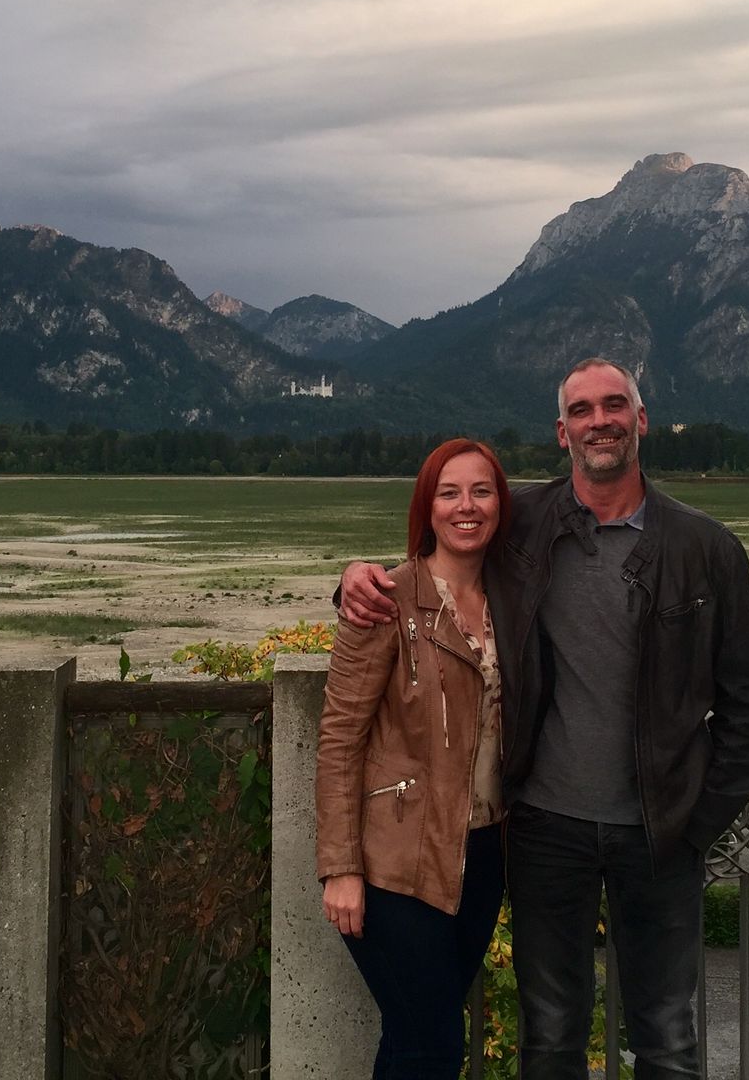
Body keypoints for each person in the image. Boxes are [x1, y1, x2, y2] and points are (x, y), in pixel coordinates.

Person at [338, 358, 749, 1080]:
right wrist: (359, 578)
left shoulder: (707, 549)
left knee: (666, 1036)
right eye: (582, 410)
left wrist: (696, 823)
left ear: (641, 421)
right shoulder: (526, 524)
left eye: (614, 406)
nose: (598, 420)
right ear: (562, 431)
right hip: (544, 829)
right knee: (551, 1033)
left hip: (661, 832)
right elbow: (445, 548)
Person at [316, 437, 513, 1079]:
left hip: (482, 853)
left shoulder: (513, 603)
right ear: (425, 507)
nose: (466, 506)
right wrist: (340, 868)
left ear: (501, 504)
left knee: (411, 1039)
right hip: (393, 862)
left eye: (481, 491)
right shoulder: (385, 601)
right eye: (448, 492)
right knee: (434, 1047)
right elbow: (340, 738)